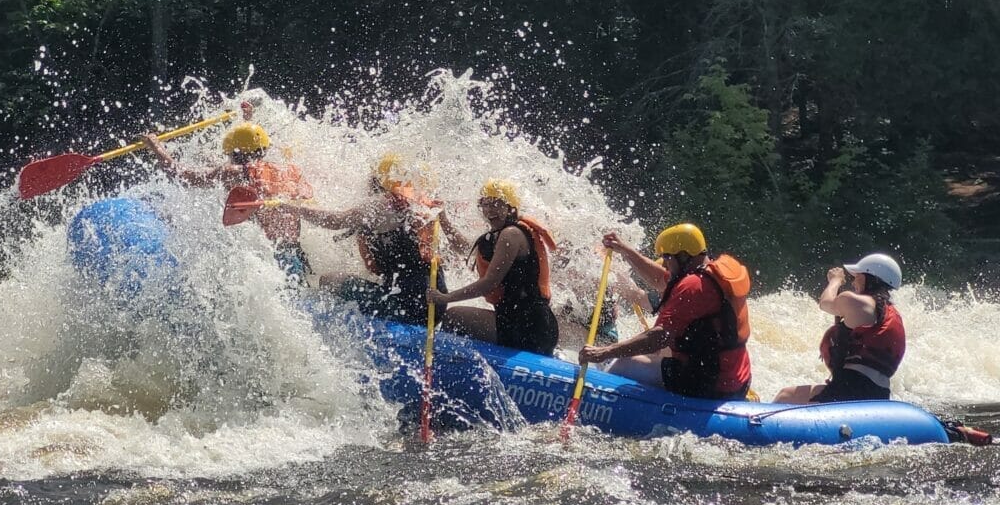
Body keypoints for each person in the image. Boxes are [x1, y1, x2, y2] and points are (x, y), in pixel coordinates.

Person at [140, 101, 315, 284]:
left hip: (271, 259)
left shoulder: (233, 173)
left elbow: (180, 174)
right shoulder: (287, 171)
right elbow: (252, 147)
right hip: (297, 254)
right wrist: (248, 120)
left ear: (233, 153)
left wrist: (156, 146)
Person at [578, 224, 753, 400]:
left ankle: (596, 402)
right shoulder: (711, 272)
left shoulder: (693, 288)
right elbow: (661, 279)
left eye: (667, 257)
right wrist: (624, 250)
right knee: (651, 353)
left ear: (684, 256)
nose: (665, 263)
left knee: (624, 363)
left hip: (709, 382)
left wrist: (604, 352)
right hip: (737, 378)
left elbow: (658, 338)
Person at [282, 153, 448, 324]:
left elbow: (335, 221)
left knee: (330, 280)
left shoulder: (380, 205)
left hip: (408, 308)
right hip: (435, 309)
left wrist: (297, 210)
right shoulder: (422, 207)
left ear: (378, 180)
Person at [428, 179, 559, 355]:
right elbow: (464, 249)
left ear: (510, 207)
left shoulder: (511, 235)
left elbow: (489, 283)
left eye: (497, 204)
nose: (490, 210)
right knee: (457, 316)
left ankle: (448, 365)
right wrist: (442, 218)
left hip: (531, 326)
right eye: (485, 204)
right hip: (516, 319)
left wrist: (445, 297)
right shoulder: (496, 236)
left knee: (453, 317)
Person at [773, 253, 905, 403]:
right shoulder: (891, 315)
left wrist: (835, 281)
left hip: (851, 389)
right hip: (880, 394)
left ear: (865, 278)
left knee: (785, 396)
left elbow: (825, 303)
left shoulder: (854, 301)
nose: (854, 283)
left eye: (856, 277)